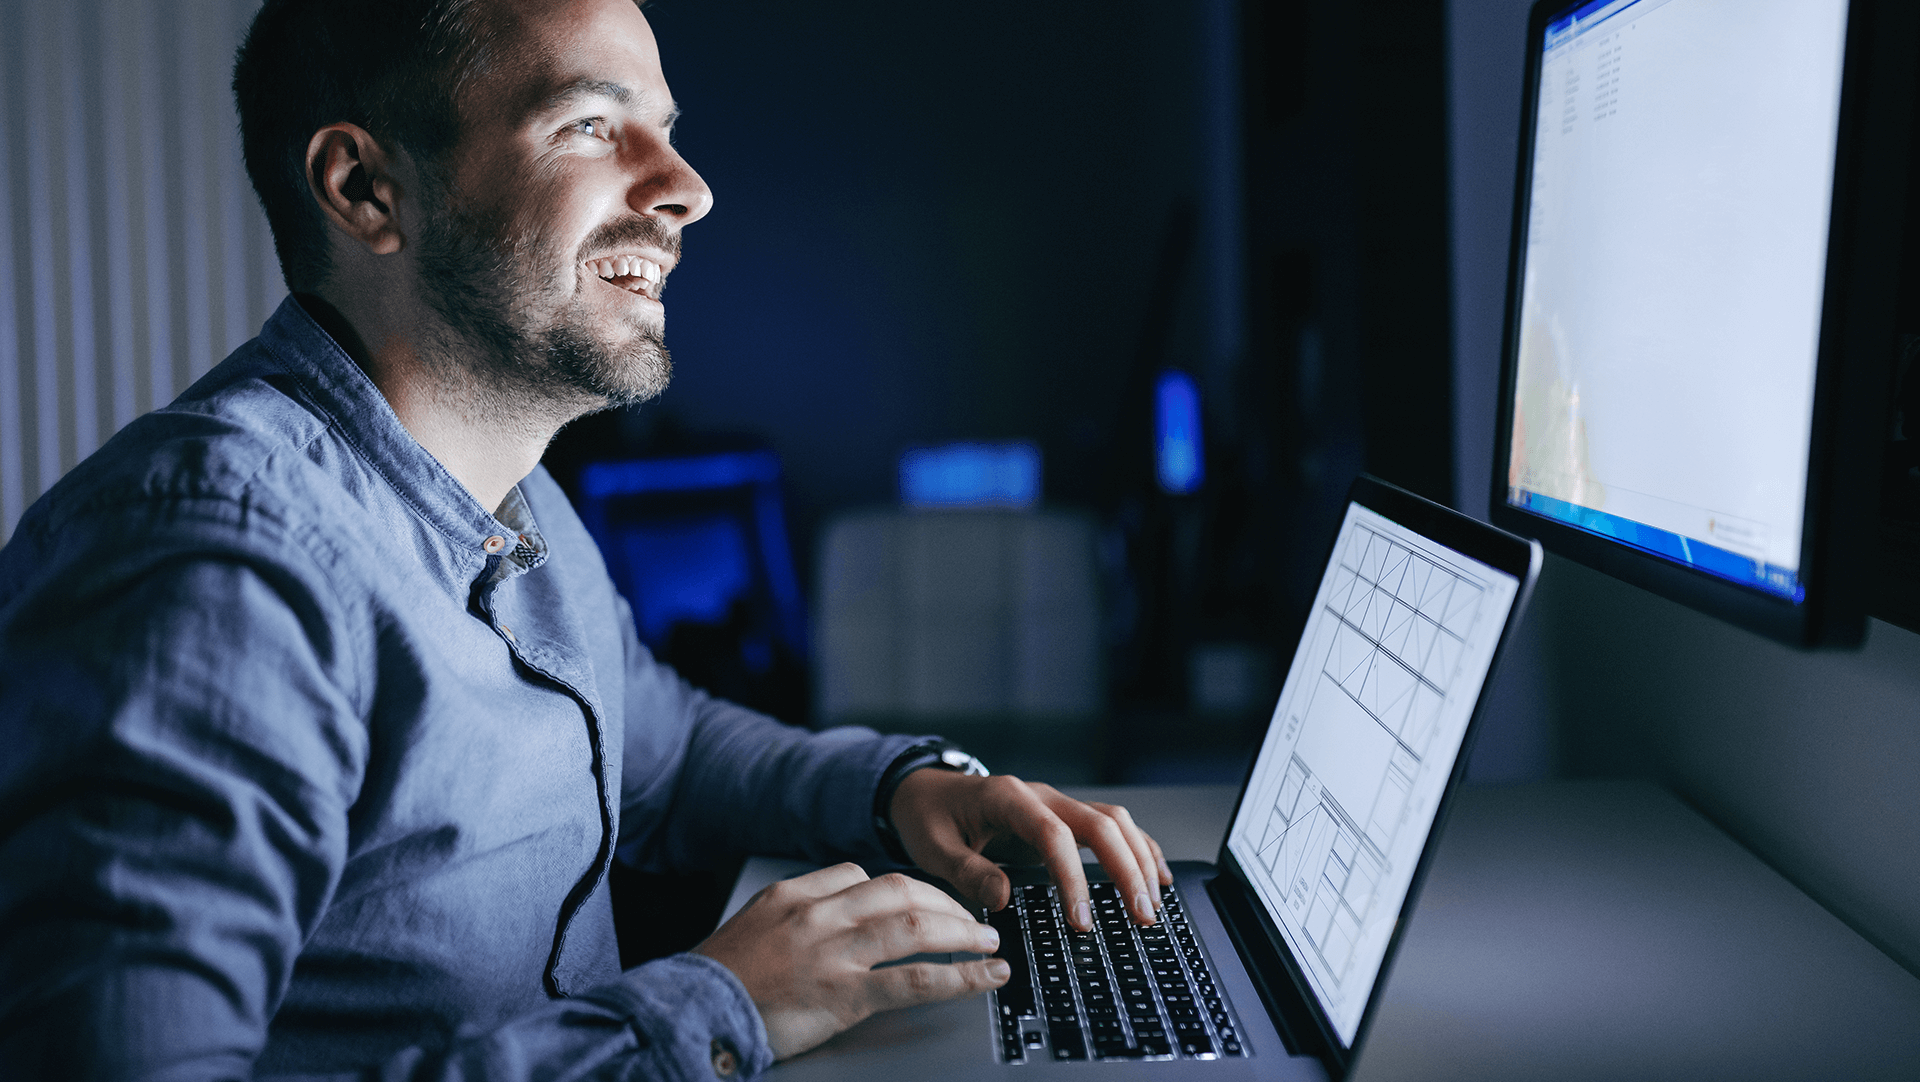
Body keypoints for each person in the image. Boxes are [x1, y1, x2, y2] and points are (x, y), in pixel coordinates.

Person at [0, 0, 1174, 1078]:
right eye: (588, 125)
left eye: (663, 130)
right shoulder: (215, 563)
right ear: (366, 190)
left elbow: (663, 749)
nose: (686, 189)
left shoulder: (514, 492)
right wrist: (716, 1005)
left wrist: (900, 785)